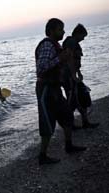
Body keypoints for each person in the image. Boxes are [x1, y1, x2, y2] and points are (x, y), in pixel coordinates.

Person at [35, 18, 86, 165]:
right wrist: (60, 58)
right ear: (51, 31)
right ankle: (42, 156)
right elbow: (41, 68)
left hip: (55, 87)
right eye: (60, 29)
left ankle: (69, 145)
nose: (63, 31)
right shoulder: (47, 45)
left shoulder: (56, 45)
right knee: (47, 121)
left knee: (67, 115)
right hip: (46, 89)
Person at [62, 24, 99, 129]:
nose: (83, 39)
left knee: (80, 97)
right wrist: (74, 75)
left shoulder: (73, 43)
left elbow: (75, 60)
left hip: (72, 75)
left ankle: (84, 122)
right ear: (78, 34)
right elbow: (69, 60)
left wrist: (78, 72)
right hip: (68, 77)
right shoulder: (71, 42)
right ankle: (71, 124)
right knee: (72, 99)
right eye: (83, 36)